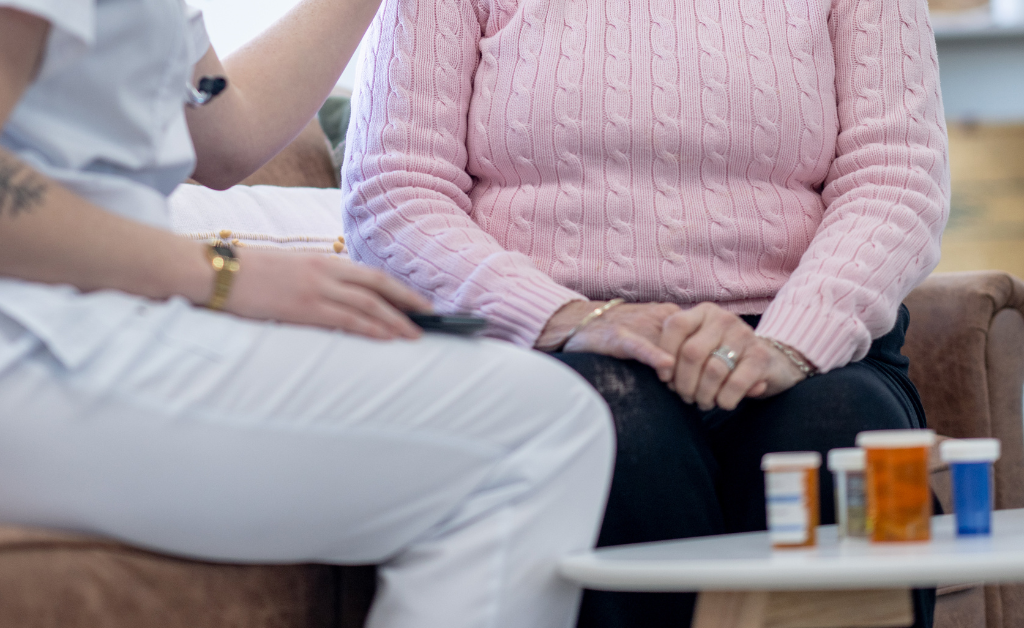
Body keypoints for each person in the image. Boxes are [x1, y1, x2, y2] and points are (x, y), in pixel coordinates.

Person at [0, 0, 615, 626]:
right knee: (536, 430)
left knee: (536, 414)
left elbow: (225, 135)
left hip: (85, 325)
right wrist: (224, 275)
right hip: (30, 339)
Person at [342, 0, 950, 626]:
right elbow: (392, 191)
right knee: (609, 425)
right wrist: (569, 318)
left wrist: (792, 342)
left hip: (799, 336)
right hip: (548, 340)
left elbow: (896, 177)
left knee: (839, 429)